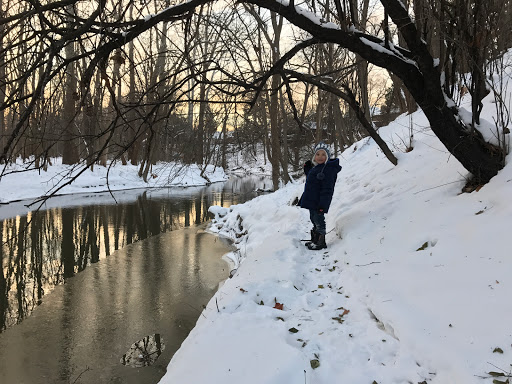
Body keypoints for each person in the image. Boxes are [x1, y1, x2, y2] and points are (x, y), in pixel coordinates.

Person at [300, 141, 342, 250]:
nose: (320, 157)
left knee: (319, 220)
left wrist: (322, 205)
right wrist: (307, 169)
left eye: (323, 155)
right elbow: (313, 178)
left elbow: (327, 190)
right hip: (312, 200)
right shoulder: (317, 167)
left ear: (327, 156)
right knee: (313, 218)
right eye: (318, 154)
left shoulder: (327, 170)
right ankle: (315, 239)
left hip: (318, 202)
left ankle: (321, 242)